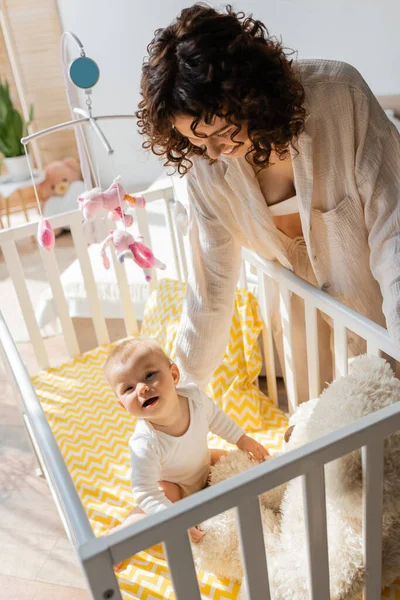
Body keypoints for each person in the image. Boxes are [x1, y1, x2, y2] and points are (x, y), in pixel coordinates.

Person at [136, 3, 400, 401]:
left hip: (375, 303)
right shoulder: (204, 166)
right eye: (194, 139)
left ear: (252, 100)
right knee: (314, 423)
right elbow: (210, 288)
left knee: (382, 424)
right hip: (297, 315)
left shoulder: (340, 97)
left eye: (223, 130)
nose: (212, 150)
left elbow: (392, 232)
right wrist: (181, 394)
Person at [104, 337, 269, 545]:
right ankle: (122, 533)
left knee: (235, 459)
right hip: (176, 485)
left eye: (149, 375)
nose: (142, 389)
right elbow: (145, 492)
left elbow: (217, 419)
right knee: (161, 497)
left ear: (174, 374)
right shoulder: (145, 442)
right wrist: (173, 517)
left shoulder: (194, 399)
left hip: (202, 464)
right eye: (128, 388)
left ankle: (269, 482)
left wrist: (241, 439)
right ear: (122, 405)